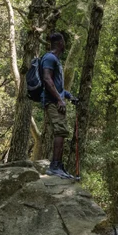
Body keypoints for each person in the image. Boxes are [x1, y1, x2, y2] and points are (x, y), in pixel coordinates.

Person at [41, 32, 75, 179]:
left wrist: (69, 96)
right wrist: (59, 100)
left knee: (62, 131)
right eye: (64, 41)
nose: (65, 44)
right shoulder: (49, 58)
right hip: (52, 101)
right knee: (60, 131)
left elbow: (58, 86)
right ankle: (54, 166)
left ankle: (59, 165)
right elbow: (47, 79)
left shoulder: (55, 60)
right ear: (60, 43)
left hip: (57, 100)